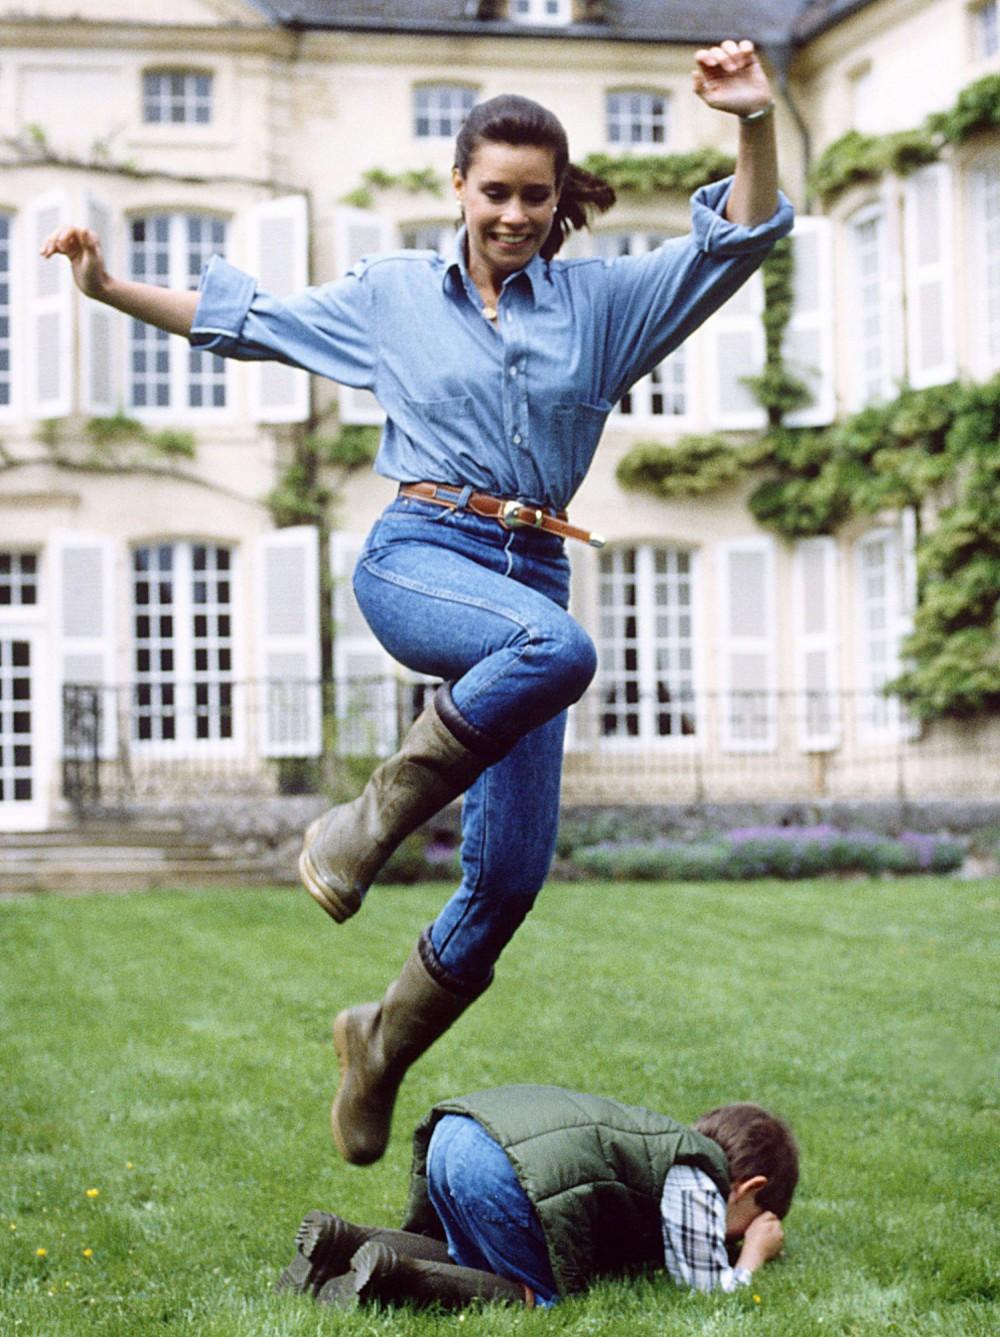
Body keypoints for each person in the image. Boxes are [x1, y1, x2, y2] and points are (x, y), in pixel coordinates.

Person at [42, 41, 794, 1168]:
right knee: (558, 645)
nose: (516, 214)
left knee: (508, 878)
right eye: (495, 191)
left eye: (536, 195)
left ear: (557, 197)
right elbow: (245, 318)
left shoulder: (600, 305)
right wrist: (104, 287)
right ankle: (361, 825)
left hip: (532, 571)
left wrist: (752, 121)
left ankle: (379, 1040)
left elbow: (735, 240)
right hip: (422, 553)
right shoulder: (393, 293)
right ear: (458, 186)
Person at [276, 1083, 800, 1310]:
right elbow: (706, 1290)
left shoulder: (657, 1140)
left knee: (469, 1255)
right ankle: (397, 1275)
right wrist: (752, 1255)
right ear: (746, 1189)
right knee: (536, 1294)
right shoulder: (700, 1175)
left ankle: (344, 1242)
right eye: (749, 1220)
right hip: (500, 1166)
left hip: (457, 1129)